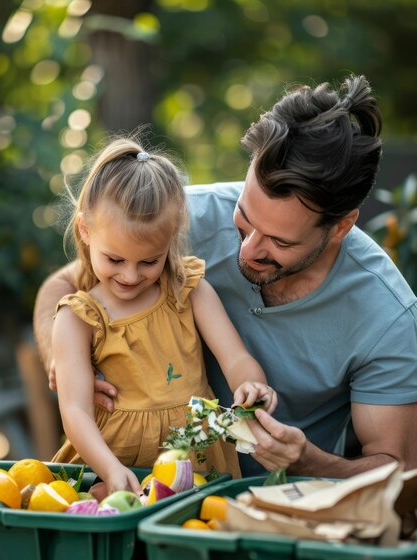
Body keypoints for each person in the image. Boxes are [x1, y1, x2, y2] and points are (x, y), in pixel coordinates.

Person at [34, 74, 417, 479]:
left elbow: (400, 472)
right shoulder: (172, 222)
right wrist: (62, 359)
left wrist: (307, 461)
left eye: (279, 242)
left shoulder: (385, 317)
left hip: (274, 504)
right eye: (245, 218)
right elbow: (62, 287)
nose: (247, 249)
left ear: (341, 227)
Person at [48, 136, 277, 495]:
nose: (130, 275)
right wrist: (110, 467)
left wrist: (251, 385)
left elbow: (236, 358)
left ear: (170, 241)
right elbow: (75, 410)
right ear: (85, 231)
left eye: (149, 261)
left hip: (194, 458)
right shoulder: (79, 318)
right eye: (115, 259)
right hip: (113, 459)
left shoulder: (189, 291)